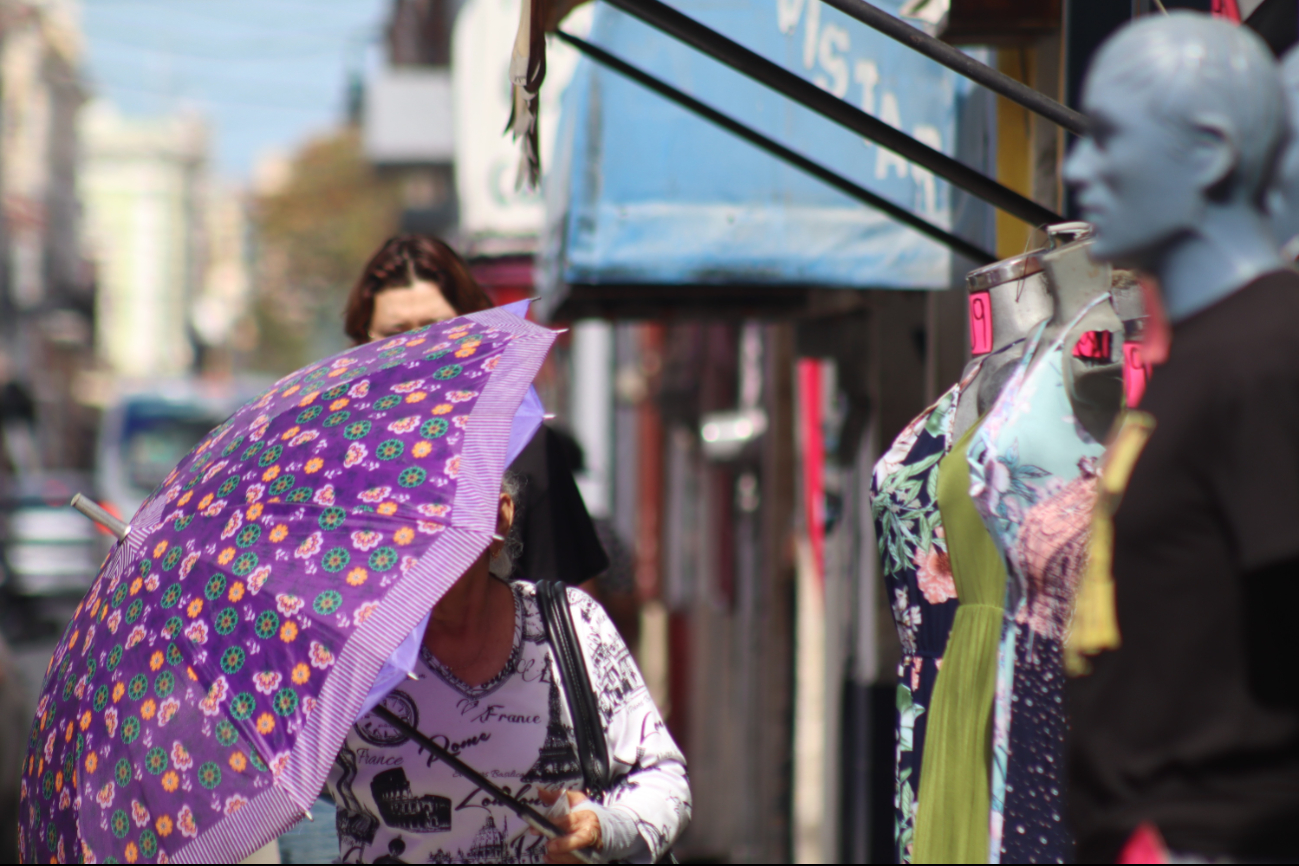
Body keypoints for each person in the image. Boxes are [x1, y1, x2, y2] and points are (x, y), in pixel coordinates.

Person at [1063, 15, 1299, 863]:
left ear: (1206, 152)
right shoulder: (1201, 360)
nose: (1074, 169)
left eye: (1107, 139)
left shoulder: (1269, 360)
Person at [326, 475, 690, 863]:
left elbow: (662, 777)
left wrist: (606, 828)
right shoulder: (348, 659)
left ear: (500, 517)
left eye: (439, 509)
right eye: (402, 516)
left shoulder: (572, 625)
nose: (422, 531)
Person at [344, 235, 609, 589]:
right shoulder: (338, 462)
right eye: (396, 335)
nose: (419, 349)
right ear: (366, 341)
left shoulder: (524, 445)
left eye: (438, 329)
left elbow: (569, 609)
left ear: (472, 329)